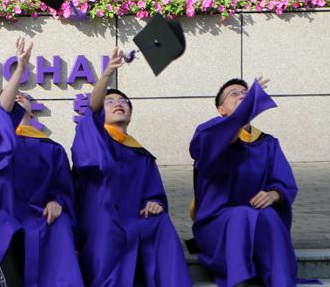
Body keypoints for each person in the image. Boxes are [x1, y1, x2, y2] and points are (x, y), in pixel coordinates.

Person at [71, 49, 191, 286]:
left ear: (130, 114)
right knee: (109, 232)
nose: (118, 104)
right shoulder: (95, 136)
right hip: (100, 217)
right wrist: (106, 75)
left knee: (161, 222)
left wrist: (154, 203)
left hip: (134, 217)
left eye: (124, 102)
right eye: (111, 101)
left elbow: (153, 192)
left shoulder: (141, 154)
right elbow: (92, 110)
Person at [0, 37, 83, 287]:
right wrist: (20, 69)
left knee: (60, 224)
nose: (17, 99)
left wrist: (57, 202)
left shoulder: (51, 148)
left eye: (22, 96)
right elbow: (2, 112)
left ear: (32, 108)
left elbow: (63, 189)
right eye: (12, 97)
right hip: (4, 217)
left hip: (42, 216)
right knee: (3, 235)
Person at [190, 77, 304, 286]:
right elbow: (222, 139)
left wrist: (273, 194)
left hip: (258, 221)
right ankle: (239, 279)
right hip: (216, 225)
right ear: (221, 109)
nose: (242, 95)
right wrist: (248, 105)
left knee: (268, 214)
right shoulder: (208, 134)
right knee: (241, 214)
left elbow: (285, 182)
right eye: (234, 94)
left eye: (245, 93)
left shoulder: (268, 143)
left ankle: (282, 281)